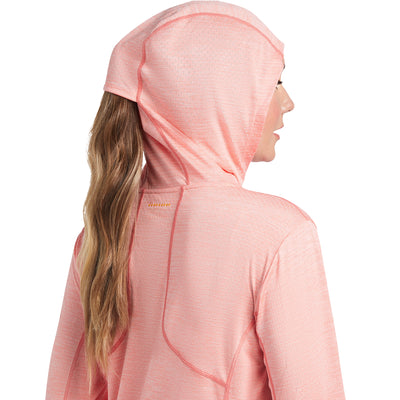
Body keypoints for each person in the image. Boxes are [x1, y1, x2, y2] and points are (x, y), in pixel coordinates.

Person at [45, 1, 346, 399]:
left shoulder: (101, 233)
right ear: (222, 95)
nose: (287, 102)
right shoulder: (278, 236)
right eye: (273, 82)